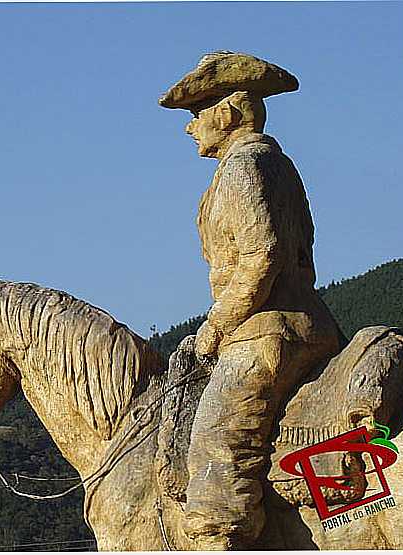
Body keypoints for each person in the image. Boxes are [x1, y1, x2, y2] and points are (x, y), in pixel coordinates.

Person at [159, 52, 344, 550]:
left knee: (216, 456)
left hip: (265, 334)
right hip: (311, 323)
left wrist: (216, 324)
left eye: (195, 114)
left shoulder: (244, 167)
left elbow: (262, 251)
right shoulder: (276, 163)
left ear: (226, 113)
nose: (189, 128)